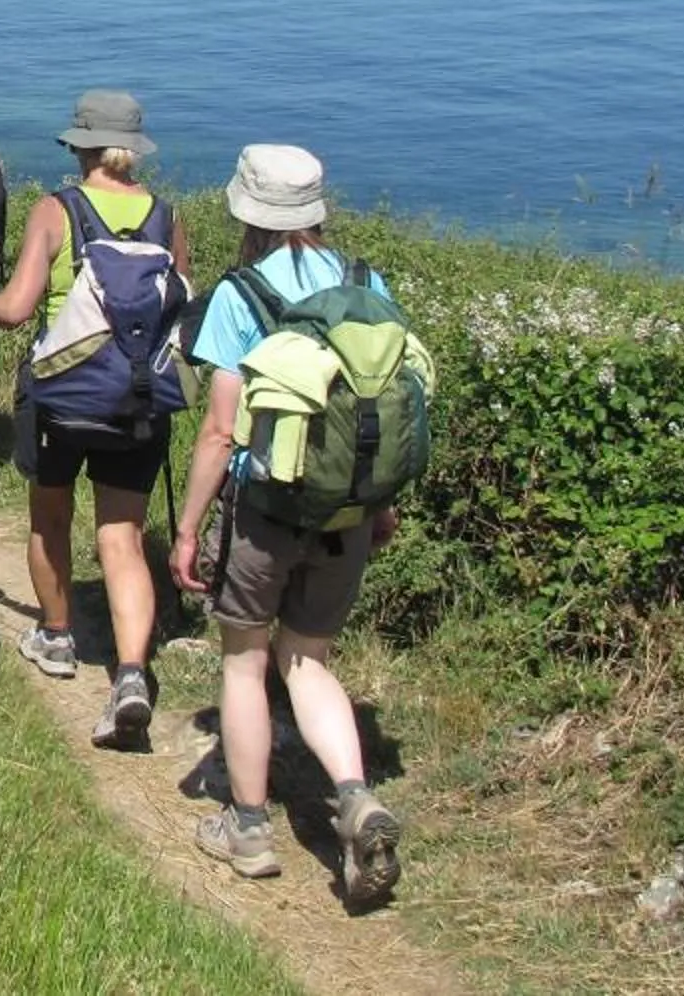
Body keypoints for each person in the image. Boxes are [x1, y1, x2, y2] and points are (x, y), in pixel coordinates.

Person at [166, 143, 404, 906]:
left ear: (247, 213)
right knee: (307, 661)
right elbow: (377, 409)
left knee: (244, 661)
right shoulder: (366, 284)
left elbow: (218, 431)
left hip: (266, 510)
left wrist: (187, 528)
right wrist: (383, 503)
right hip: (350, 510)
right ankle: (356, 796)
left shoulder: (242, 293)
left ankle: (248, 827)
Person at [0, 89, 184, 749]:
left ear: (80, 145)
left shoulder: (58, 210)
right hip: (138, 395)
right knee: (123, 537)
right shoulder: (166, 217)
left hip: (64, 393)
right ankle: (131, 675)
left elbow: (19, 308)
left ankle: (55, 635)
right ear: (133, 151)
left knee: (51, 517)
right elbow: (175, 309)